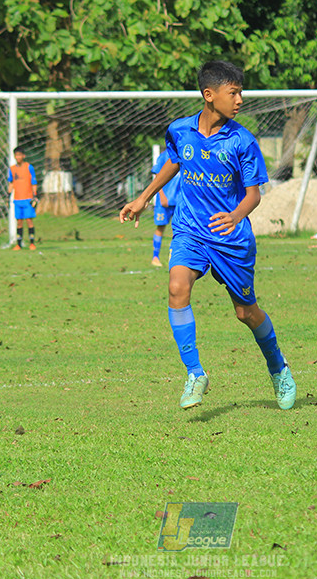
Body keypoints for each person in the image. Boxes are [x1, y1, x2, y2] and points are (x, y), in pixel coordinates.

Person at [119, 60, 296, 410]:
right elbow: (174, 160)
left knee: (246, 313)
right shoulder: (181, 130)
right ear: (209, 95)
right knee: (176, 286)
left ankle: (279, 368)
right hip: (190, 230)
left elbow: (254, 194)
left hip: (231, 238)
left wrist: (235, 216)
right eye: (234, 93)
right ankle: (195, 373)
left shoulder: (243, 142)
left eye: (241, 92)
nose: (240, 99)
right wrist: (143, 197)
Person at [150, 149, 181, 267]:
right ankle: (155, 257)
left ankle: (175, 258)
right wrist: (162, 196)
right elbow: (157, 177)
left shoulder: (185, 152)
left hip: (179, 201)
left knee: (179, 230)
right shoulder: (164, 156)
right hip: (165, 201)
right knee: (161, 227)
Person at [8, 148, 38, 250]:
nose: (18, 157)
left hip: (28, 199)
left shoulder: (29, 167)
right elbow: (11, 183)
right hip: (17, 199)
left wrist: (35, 195)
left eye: (20, 155)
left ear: (23, 156)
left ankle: (32, 243)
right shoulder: (12, 169)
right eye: (16, 155)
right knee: (19, 221)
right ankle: (19, 244)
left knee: (29, 220)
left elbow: (34, 182)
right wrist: (8, 193)